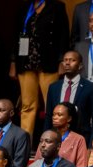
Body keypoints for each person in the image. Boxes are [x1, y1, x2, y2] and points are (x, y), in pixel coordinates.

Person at [10, 0, 69, 138]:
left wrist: (62, 60)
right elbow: (15, 36)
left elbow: (63, 35)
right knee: (27, 105)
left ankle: (53, 139)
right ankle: (25, 142)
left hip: (49, 62)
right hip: (26, 62)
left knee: (52, 104)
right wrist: (13, 61)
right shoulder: (24, 7)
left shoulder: (57, 6)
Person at [44, 51, 93, 145]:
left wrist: (92, 145)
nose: (67, 63)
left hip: (82, 138)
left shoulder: (91, 88)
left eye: (72, 60)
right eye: (65, 60)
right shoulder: (53, 87)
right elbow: (48, 116)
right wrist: (45, 139)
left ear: (80, 66)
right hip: (56, 138)